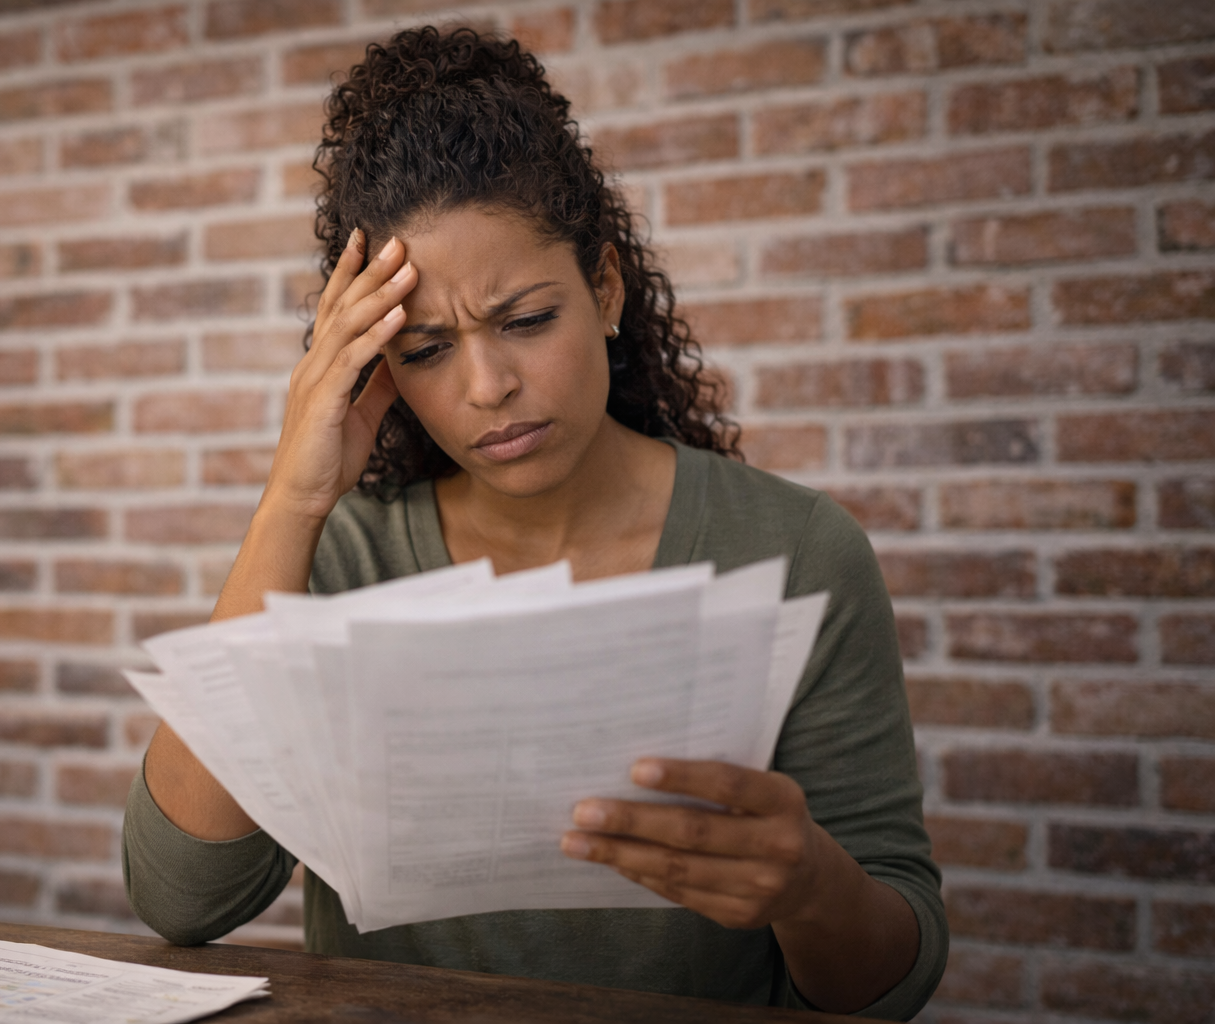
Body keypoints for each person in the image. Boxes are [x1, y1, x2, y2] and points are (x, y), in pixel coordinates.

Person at [123, 26, 947, 1019]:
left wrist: (811, 886)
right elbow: (182, 899)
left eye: (524, 319)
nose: (490, 386)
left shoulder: (798, 550)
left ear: (604, 289)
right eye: (426, 349)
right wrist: (294, 501)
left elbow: (889, 978)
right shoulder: (349, 556)